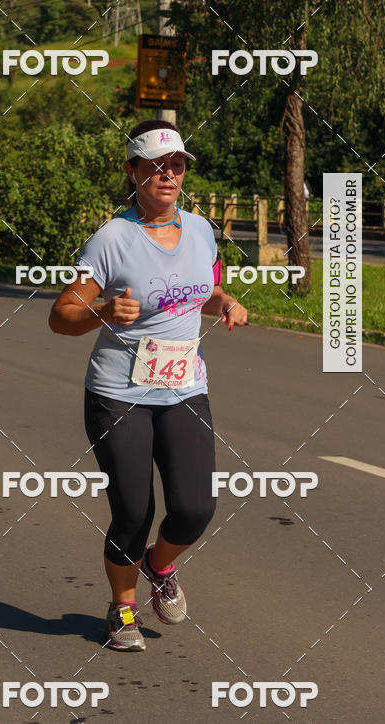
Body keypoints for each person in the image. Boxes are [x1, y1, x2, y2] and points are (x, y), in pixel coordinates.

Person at [48, 119, 247, 651]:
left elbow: (202, 289)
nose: (167, 174)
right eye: (156, 166)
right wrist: (102, 311)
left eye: (176, 165)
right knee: (134, 511)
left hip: (184, 387)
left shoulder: (201, 230)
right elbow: (61, 315)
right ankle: (123, 610)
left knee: (195, 507)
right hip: (119, 393)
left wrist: (224, 302)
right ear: (133, 171)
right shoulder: (113, 238)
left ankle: (161, 567)